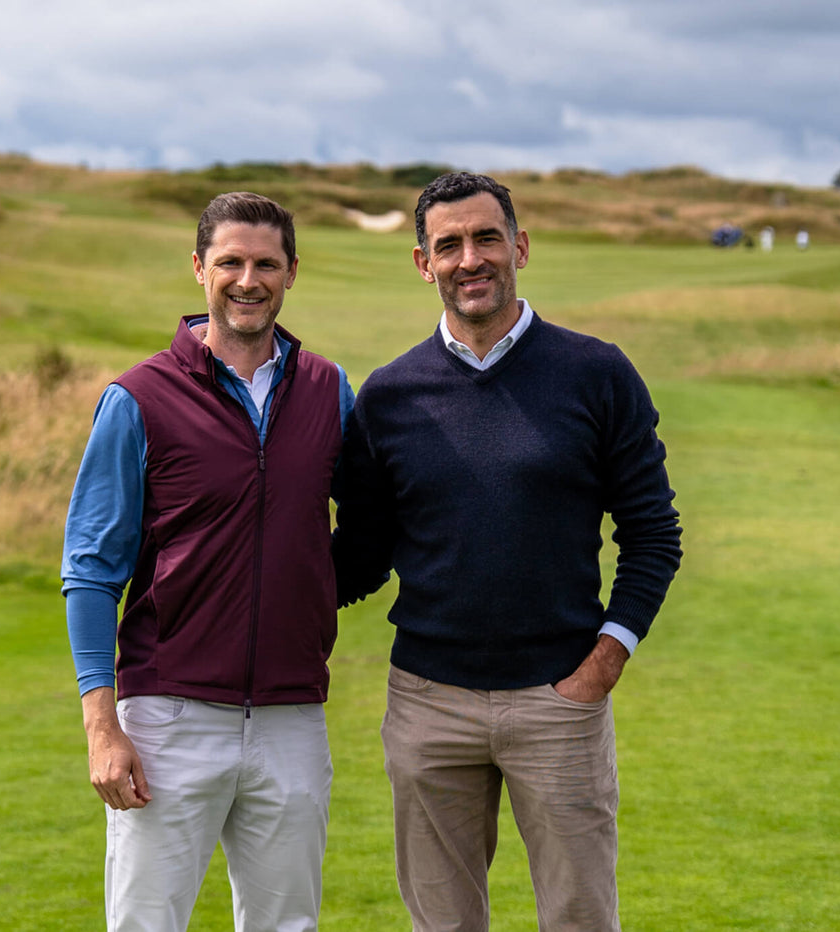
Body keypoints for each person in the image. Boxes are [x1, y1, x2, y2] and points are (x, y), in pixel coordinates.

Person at [334, 172, 683, 931]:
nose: (470, 259)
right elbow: (360, 554)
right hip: (427, 703)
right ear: (424, 264)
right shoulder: (389, 396)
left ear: (519, 246)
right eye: (448, 245)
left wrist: (602, 664)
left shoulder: (596, 373)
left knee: (580, 919)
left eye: (486, 238)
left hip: (560, 699)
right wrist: (240, 588)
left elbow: (653, 531)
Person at [61, 191, 355, 932]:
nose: (247, 280)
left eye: (266, 263)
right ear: (199, 269)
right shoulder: (138, 398)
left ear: (293, 272)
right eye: (230, 262)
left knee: (288, 925)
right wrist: (103, 726)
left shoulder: (329, 390)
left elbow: (370, 525)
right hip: (168, 716)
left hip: (293, 715)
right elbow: (92, 570)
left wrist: (318, 593)